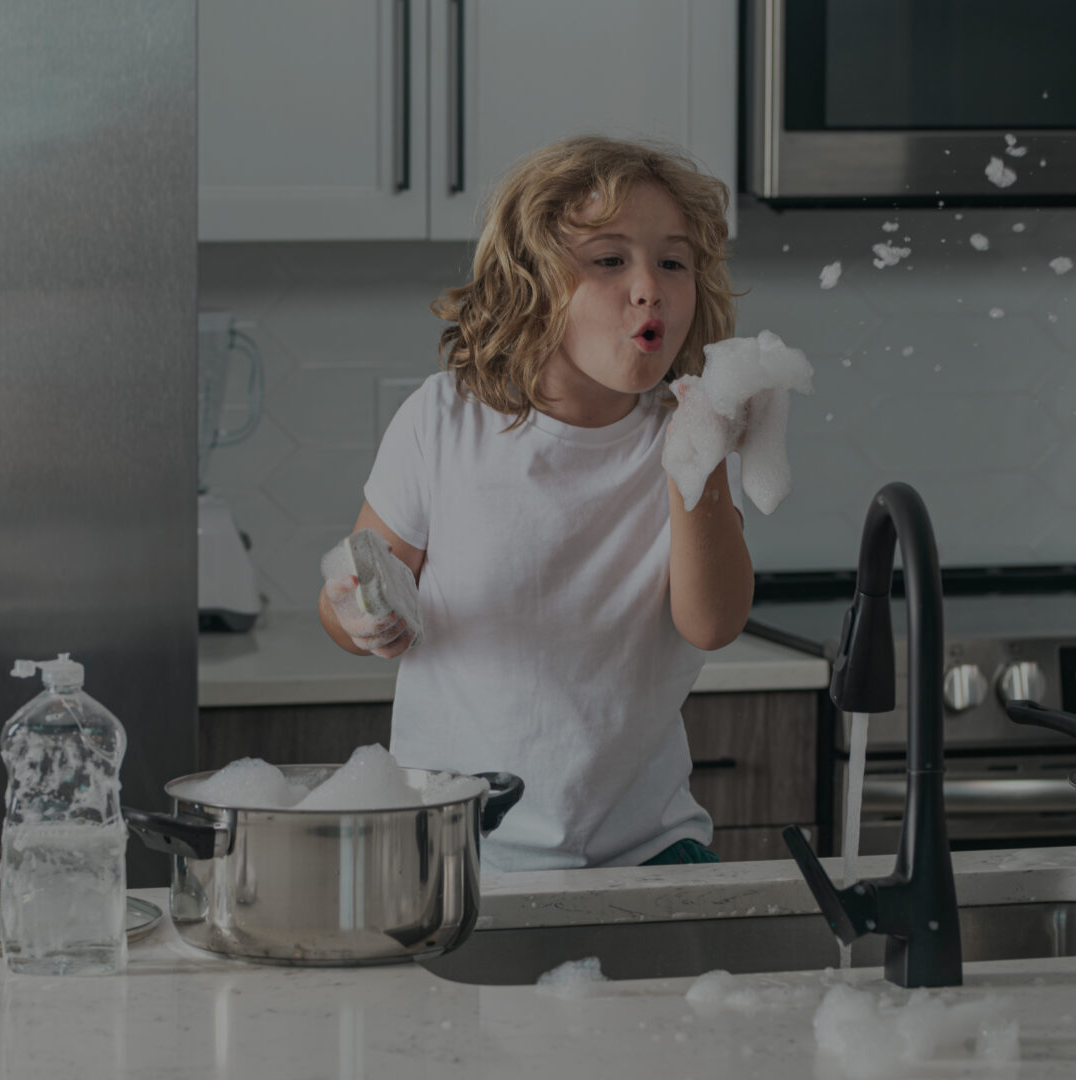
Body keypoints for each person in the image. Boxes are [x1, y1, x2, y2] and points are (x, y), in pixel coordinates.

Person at [317, 135, 755, 871]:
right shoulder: (444, 420)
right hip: (457, 852)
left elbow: (710, 624)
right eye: (609, 260)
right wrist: (361, 614)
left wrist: (701, 458)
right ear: (532, 284)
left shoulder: (688, 437)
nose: (648, 285)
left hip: (647, 847)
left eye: (672, 262)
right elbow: (350, 595)